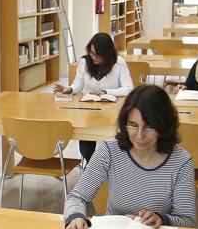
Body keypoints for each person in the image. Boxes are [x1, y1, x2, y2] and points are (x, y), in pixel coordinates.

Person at [63, 85, 196, 229]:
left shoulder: (181, 162)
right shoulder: (109, 151)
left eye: (149, 127)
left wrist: (162, 219)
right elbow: (77, 197)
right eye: (133, 125)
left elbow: (187, 221)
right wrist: (75, 217)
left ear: (164, 127)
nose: (140, 136)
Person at [52, 32, 135, 163]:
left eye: (97, 54)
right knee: (85, 148)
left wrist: (105, 91)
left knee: (116, 145)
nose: (93, 57)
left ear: (106, 53)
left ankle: (104, 169)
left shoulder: (119, 63)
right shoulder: (84, 62)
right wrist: (69, 89)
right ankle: (94, 168)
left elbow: (129, 88)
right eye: (91, 53)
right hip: (88, 112)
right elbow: (78, 85)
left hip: (111, 113)